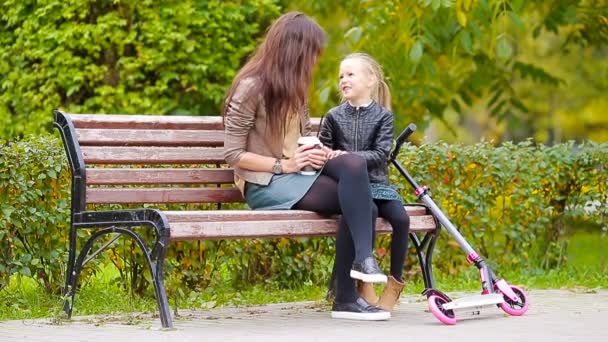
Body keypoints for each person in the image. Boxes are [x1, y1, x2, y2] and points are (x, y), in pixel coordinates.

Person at [222, 13, 390, 320]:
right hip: (264, 184)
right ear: (294, 51)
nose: (314, 62)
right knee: (363, 206)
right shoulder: (250, 88)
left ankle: (361, 267)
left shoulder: (295, 91)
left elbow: (301, 138)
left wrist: (317, 152)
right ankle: (347, 294)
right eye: (311, 53)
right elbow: (233, 154)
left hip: (297, 175)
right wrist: (283, 165)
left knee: (352, 167)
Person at [319, 53, 410, 312]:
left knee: (402, 220)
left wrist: (349, 157)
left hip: (378, 184)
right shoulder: (334, 116)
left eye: (350, 74)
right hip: (351, 188)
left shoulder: (383, 116)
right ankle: (362, 283)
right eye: (341, 76)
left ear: (370, 80)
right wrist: (330, 155)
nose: (343, 80)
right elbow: (324, 153)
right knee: (365, 213)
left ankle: (394, 283)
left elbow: (382, 154)